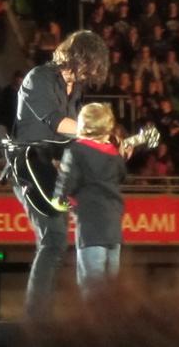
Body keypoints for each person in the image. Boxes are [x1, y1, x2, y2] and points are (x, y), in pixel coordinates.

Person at [12, 30, 108, 318]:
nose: (91, 72)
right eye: (90, 64)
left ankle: (46, 313)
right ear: (77, 56)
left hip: (53, 167)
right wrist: (95, 132)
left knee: (57, 241)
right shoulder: (38, 78)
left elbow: (73, 138)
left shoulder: (75, 90)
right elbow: (56, 123)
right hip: (29, 164)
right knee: (53, 238)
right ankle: (36, 316)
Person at [51, 103, 126, 298]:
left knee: (91, 288)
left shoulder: (76, 151)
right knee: (112, 290)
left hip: (91, 227)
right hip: (113, 230)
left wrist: (58, 200)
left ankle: (94, 327)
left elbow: (67, 182)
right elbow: (122, 175)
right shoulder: (114, 154)